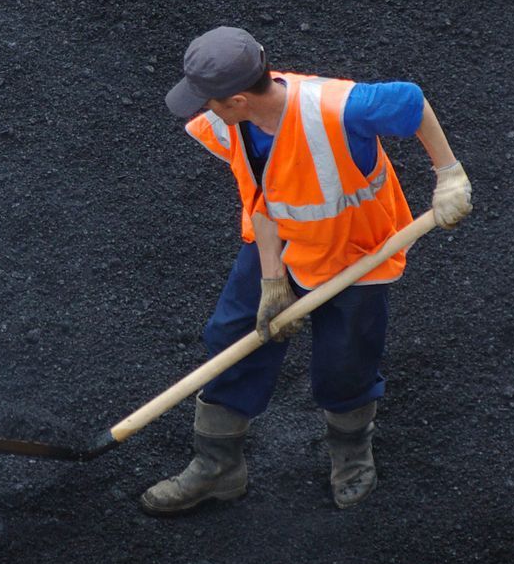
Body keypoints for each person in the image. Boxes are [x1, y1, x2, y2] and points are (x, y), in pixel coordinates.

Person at [139, 26, 473, 516]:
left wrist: (449, 174)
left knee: (346, 361)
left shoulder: (337, 108)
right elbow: (260, 195)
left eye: (207, 100)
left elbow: (411, 100)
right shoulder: (238, 124)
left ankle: (352, 454)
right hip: (283, 242)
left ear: (236, 99)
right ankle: (218, 467)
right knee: (232, 338)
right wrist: (273, 279)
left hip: (357, 255)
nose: (202, 109)